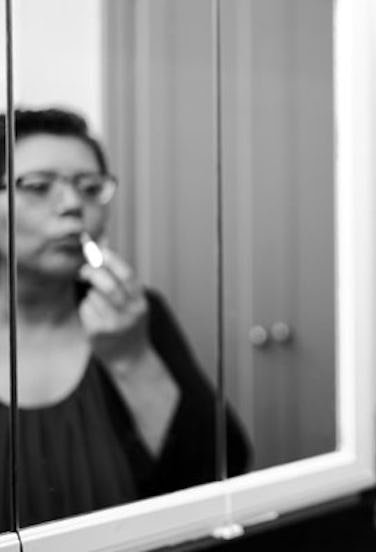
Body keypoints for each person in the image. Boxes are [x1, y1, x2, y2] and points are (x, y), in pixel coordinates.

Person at [0, 108, 250, 529]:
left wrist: (131, 357)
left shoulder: (134, 314)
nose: (73, 205)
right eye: (39, 187)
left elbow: (220, 474)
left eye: (91, 187)